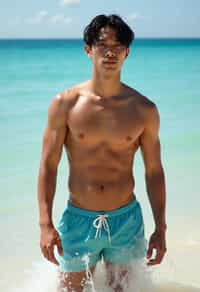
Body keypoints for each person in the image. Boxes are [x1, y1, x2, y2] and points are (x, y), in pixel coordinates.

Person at [37, 14, 167, 292]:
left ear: (127, 53)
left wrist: (161, 228)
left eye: (118, 46)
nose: (110, 52)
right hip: (78, 220)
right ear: (88, 50)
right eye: (102, 44)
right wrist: (45, 224)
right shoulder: (65, 104)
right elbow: (49, 165)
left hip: (127, 220)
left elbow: (154, 171)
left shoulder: (144, 109)